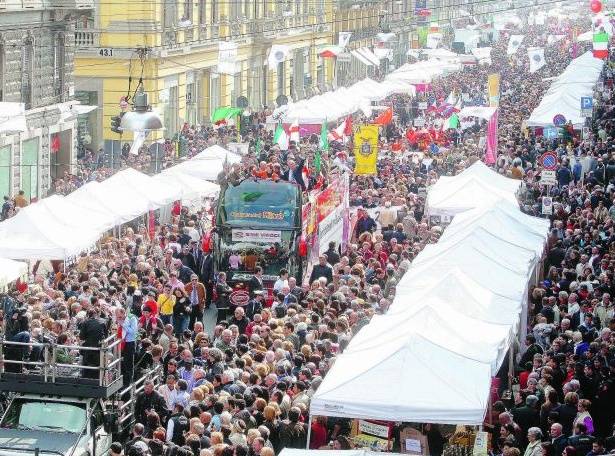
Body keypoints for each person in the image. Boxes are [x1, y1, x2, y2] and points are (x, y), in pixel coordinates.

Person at [79, 308, 108, 380]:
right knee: (99, 367)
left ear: (88, 315)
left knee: (87, 368)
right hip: (99, 349)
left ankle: (85, 380)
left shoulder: (85, 322)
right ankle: (99, 380)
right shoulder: (103, 322)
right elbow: (106, 336)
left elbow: (81, 337)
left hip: (88, 349)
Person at [116, 307, 138, 387]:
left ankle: (129, 383)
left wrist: (123, 325)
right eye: (117, 317)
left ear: (123, 313)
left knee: (129, 364)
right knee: (123, 364)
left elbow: (133, 332)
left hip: (130, 343)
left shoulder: (132, 318)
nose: (118, 318)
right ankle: (123, 382)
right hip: (122, 343)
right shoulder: (120, 320)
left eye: (119, 316)